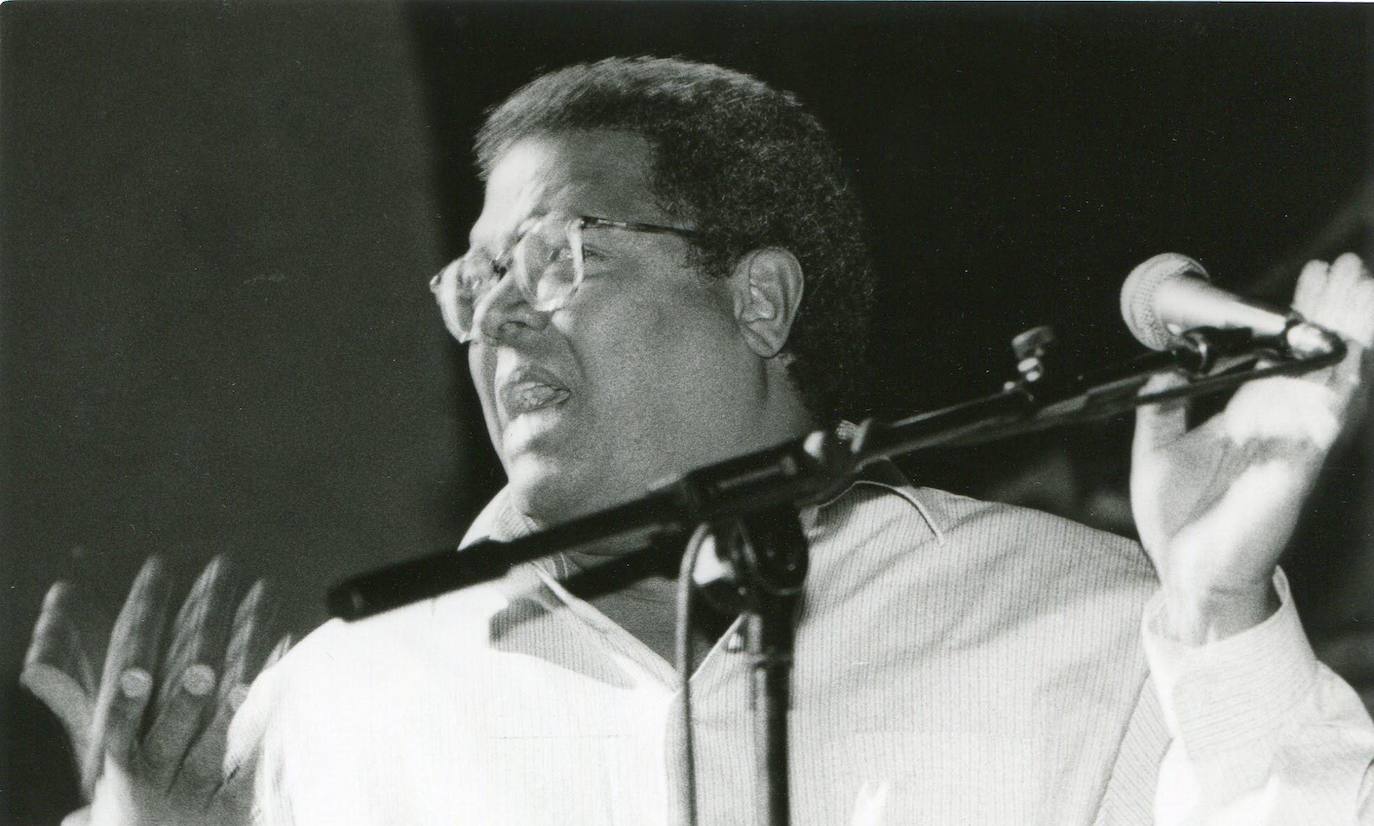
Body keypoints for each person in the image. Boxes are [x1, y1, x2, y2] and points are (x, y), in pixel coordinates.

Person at [25, 56, 1374, 825]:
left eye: (551, 255)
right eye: (470, 276)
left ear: (758, 296)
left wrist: (1214, 613)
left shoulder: (1085, 628)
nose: (493, 314)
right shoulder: (346, 696)